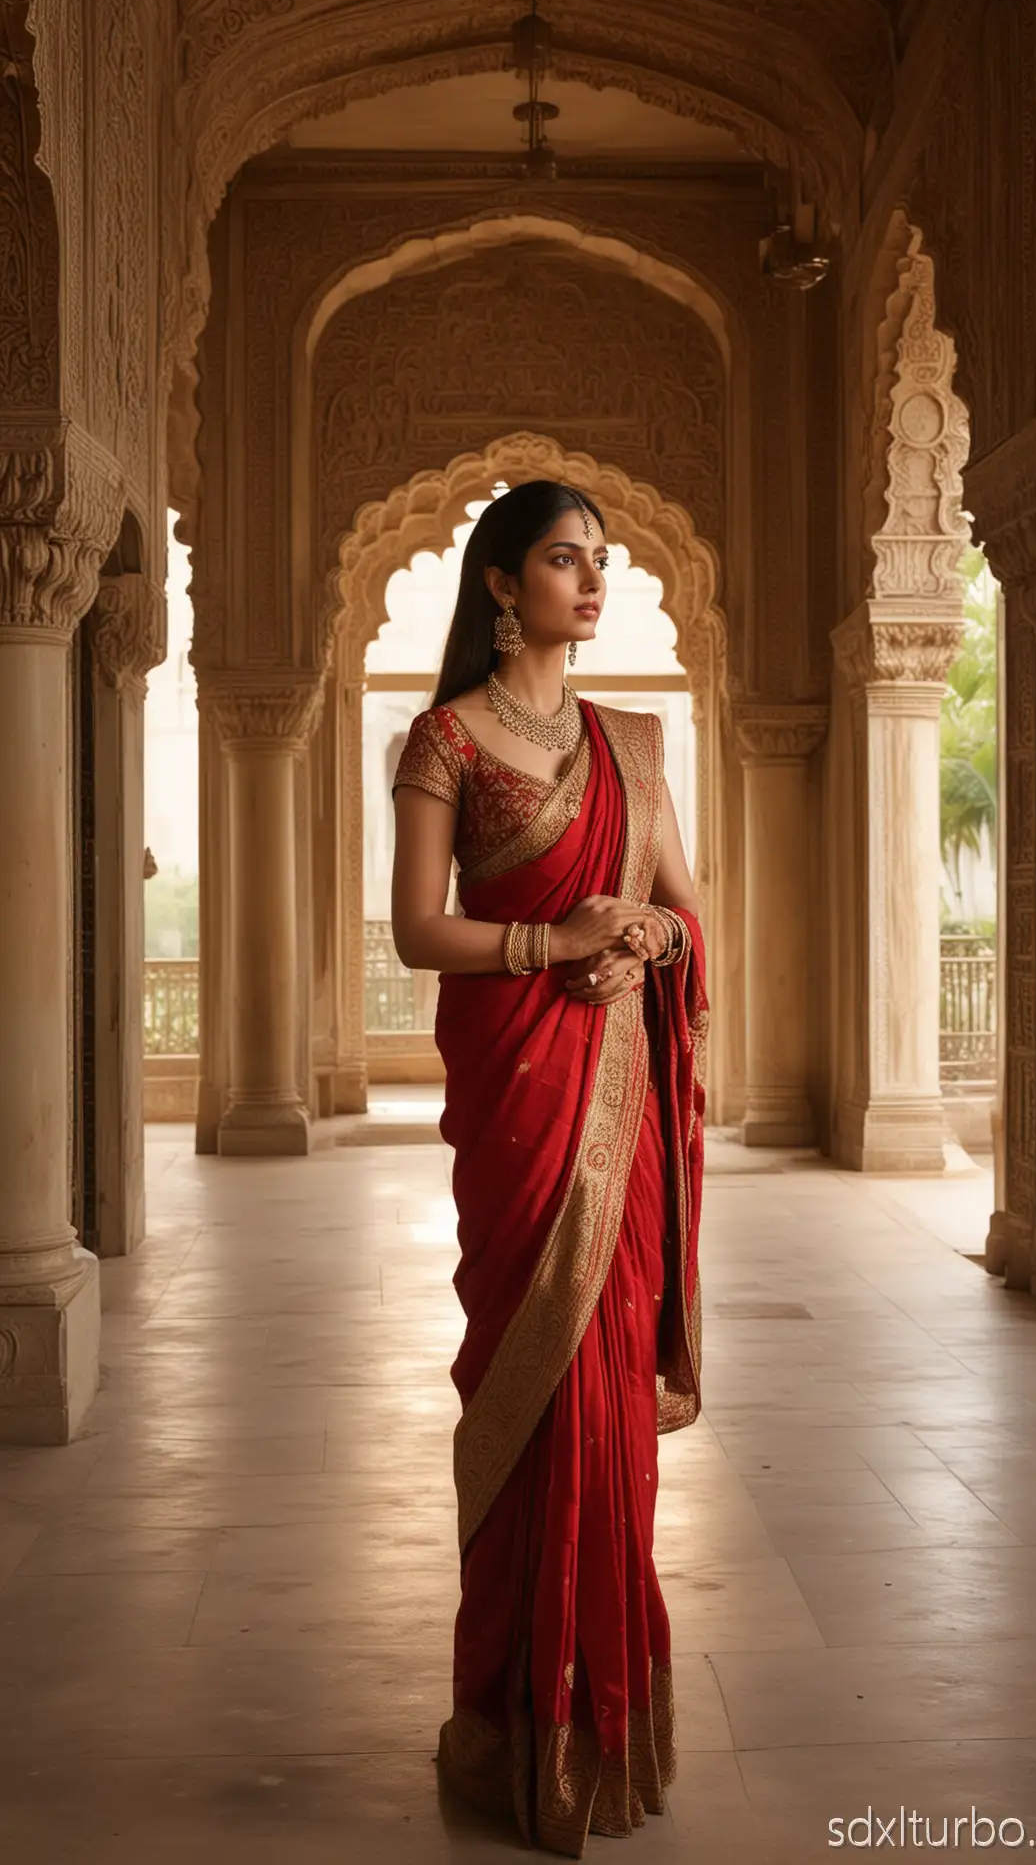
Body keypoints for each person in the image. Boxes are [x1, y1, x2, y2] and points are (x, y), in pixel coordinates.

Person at [389, 480, 708, 1858]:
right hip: (518, 1095)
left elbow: (686, 913)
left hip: (615, 1095)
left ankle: (600, 1716)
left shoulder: (633, 741)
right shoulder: (446, 739)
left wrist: (642, 944)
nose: (592, 580)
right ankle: (510, 1718)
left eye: (602, 559)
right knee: (522, 1367)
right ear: (502, 584)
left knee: (609, 1394)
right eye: (566, 559)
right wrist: (555, 943)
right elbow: (417, 931)